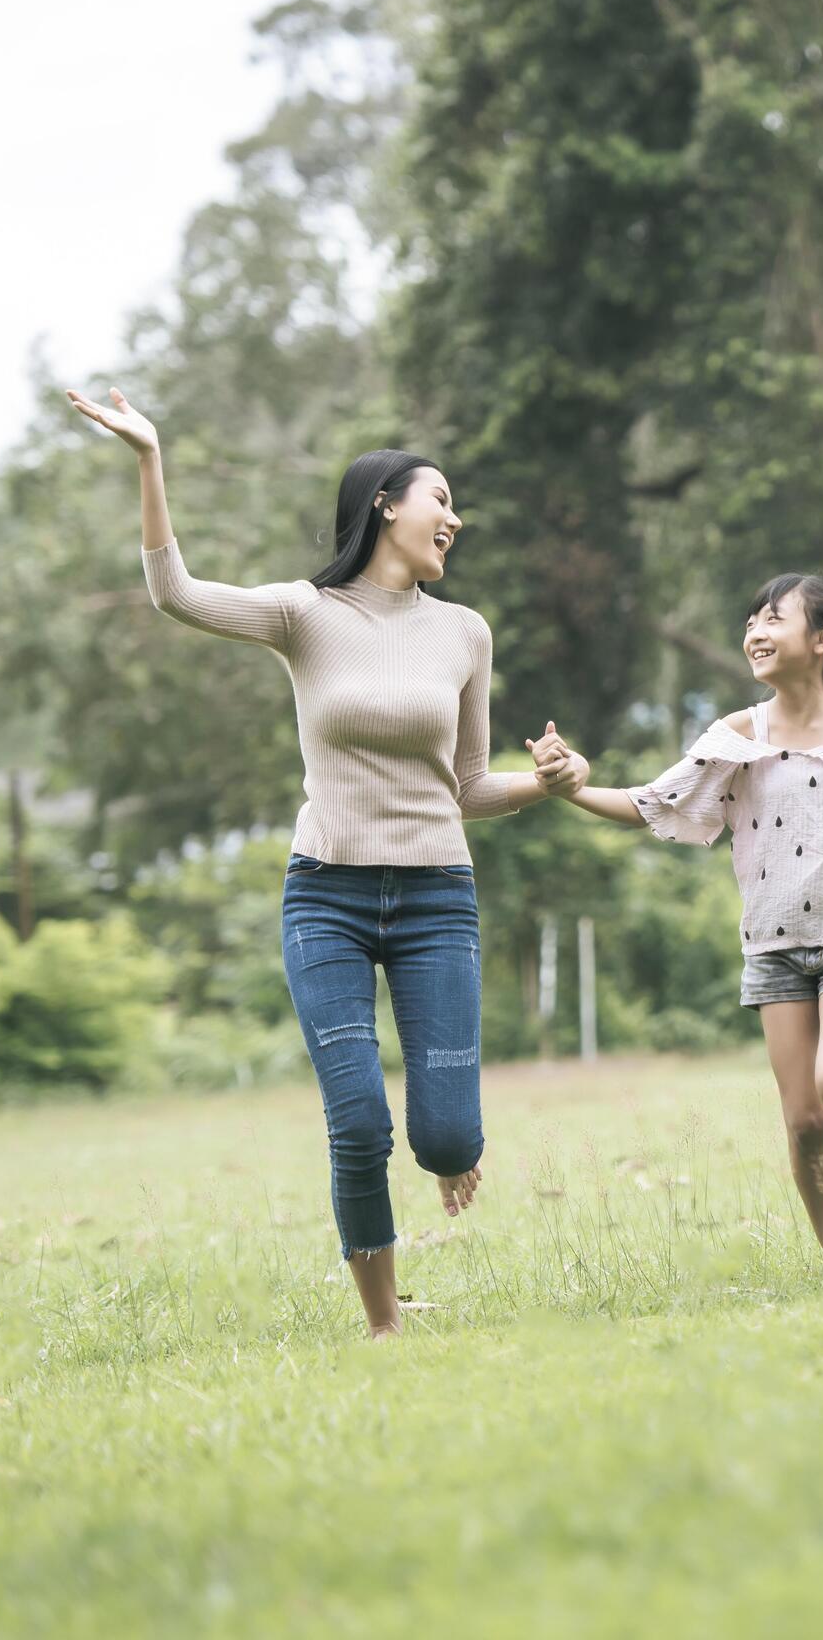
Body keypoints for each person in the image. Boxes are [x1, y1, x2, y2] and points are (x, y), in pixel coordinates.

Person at [66, 387, 578, 1337]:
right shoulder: (304, 614)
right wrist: (149, 458)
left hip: (437, 899)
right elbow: (174, 593)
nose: (454, 519)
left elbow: (469, 785)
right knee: (357, 1124)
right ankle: (383, 1324)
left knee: (444, 1137)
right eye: (441, 499)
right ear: (386, 504)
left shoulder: (465, 632)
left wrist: (547, 782)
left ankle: (455, 1144)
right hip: (326, 900)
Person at [537, 574, 823, 1278]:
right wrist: (572, 789)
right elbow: (652, 801)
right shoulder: (735, 736)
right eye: (751, 619)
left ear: (822, 641)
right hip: (774, 950)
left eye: (772, 619)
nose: (755, 631)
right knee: (805, 1123)